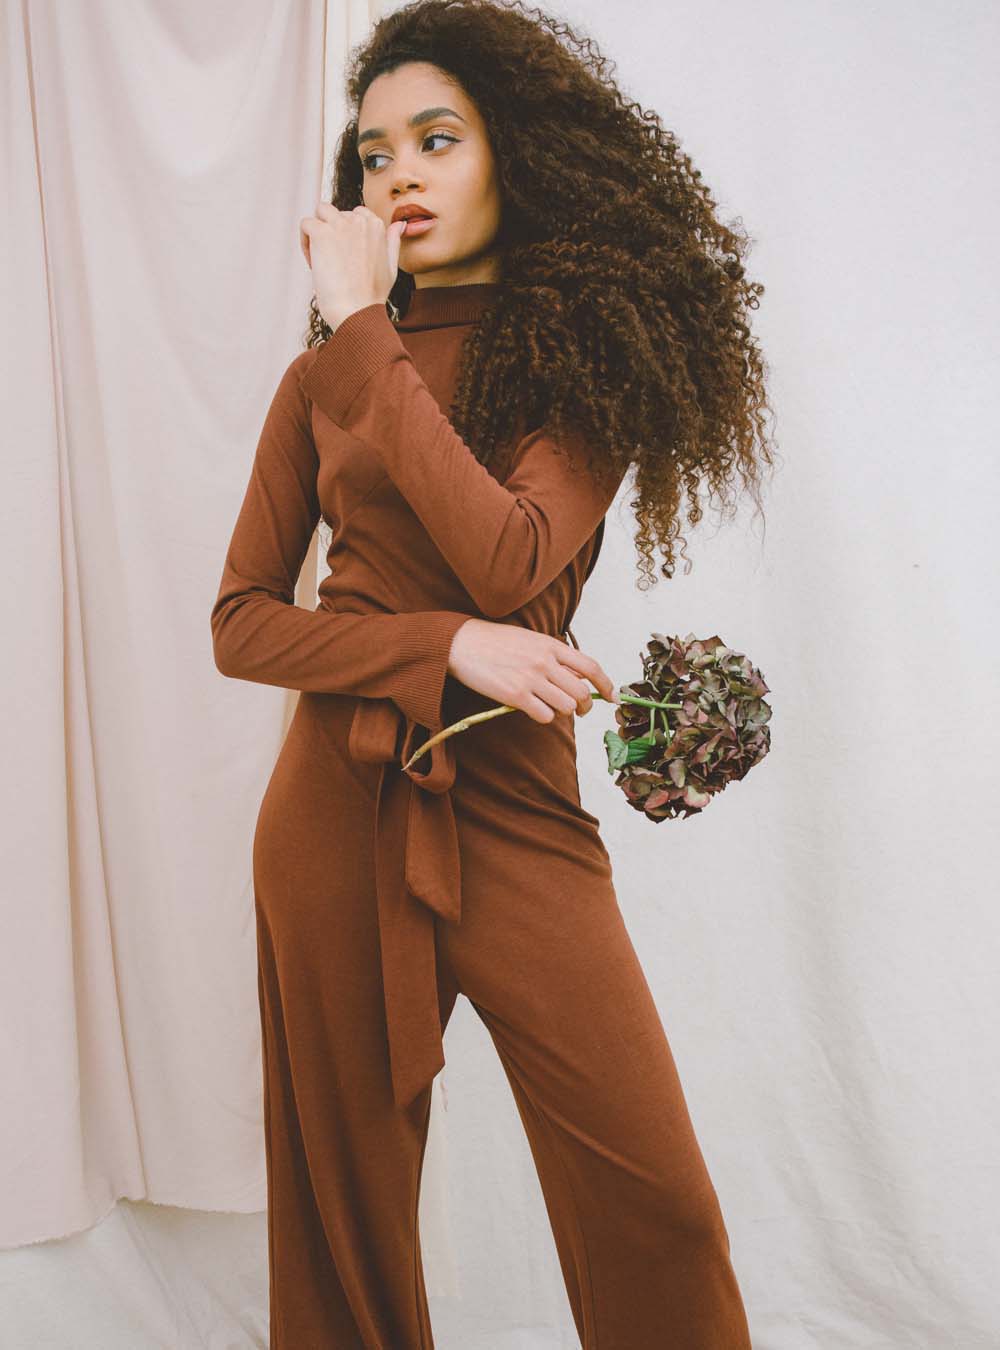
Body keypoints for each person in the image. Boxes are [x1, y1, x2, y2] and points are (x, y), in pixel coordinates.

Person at [211, 2, 773, 1344]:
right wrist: (439, 645)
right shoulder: (320, 382)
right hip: (333, 815)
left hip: (519, 814)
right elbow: (243, 625)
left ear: (513, 154)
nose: (398, 176)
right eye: (373, 155)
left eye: (437, 140)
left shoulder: (582, 360)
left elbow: (510, 558)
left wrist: (366, 328)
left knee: (659, 1205)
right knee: (343, 1220)